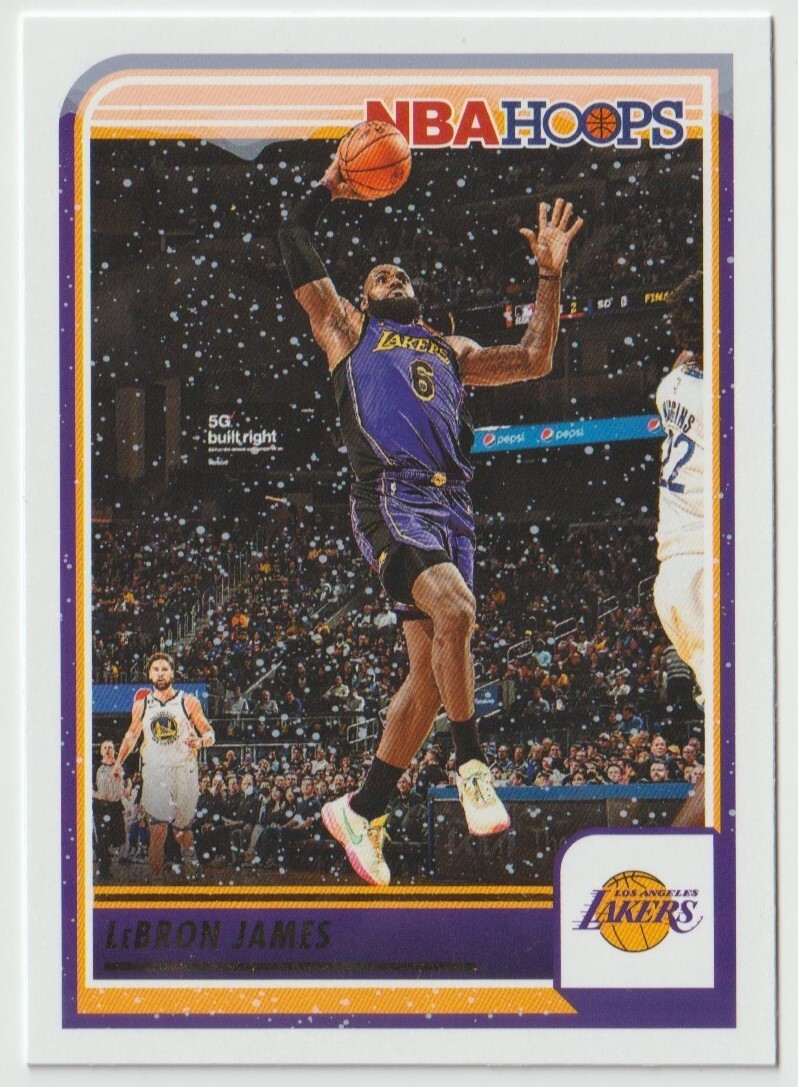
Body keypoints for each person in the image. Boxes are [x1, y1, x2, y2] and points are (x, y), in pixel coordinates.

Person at [278, 149, 582, 885]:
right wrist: (329, 186)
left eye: (400, 274)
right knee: (457, 609)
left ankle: (363, 809)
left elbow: (536, 358)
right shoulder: (346, 330)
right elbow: (291, 234)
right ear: (362, 294)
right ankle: (472, 764)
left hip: (454, 508)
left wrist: (549, 276)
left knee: (425, 679)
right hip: (391, 495)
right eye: (379, 275)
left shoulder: (452, 348)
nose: (392, 276)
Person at [112, 653, 215, 881]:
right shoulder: (141, 705)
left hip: (184, 770)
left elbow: (210, 733)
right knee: (157, 829)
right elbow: (131, 736)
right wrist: (118, 762)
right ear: (149, 674)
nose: (160, 673)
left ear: (172, 673)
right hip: (156, 771)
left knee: (181, 831)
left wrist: (202, 741)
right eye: (156, 669)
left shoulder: (188, 701)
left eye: (164, 669)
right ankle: (156, 883)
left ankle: (192, 866)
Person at [653, 272, 705, 698]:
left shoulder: (671, 384)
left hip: (673, 572)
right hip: (707, 568)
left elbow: (691, 350)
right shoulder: (725, 396)